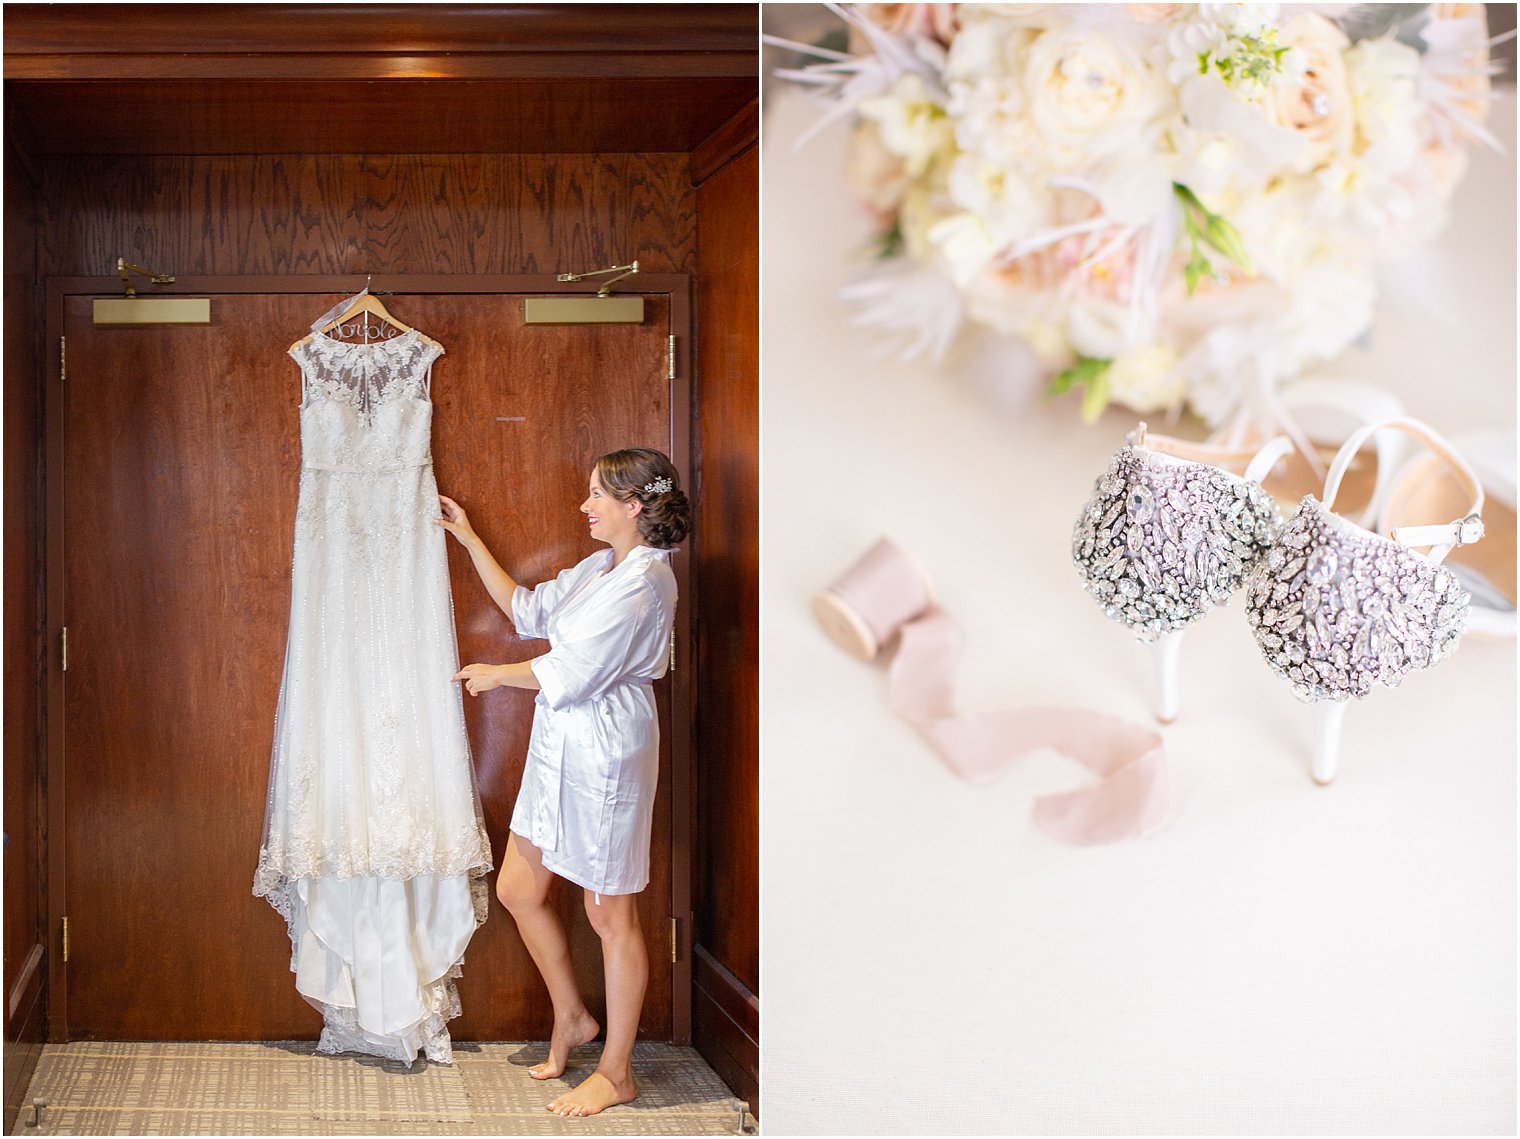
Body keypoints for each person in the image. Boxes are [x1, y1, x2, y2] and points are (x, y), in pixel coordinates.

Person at [435, 447, 689, 1118]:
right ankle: (574, 1016)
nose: (586, 505)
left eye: (598, 495)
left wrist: (496, 674)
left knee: (609, 910)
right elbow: (527, 610)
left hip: (608, 746)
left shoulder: (645, 581)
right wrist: (468, 537)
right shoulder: (597, 567)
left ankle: (617, 1070)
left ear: (635, 505)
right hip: (559, 744)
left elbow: (573, 669)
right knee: (519, 886)